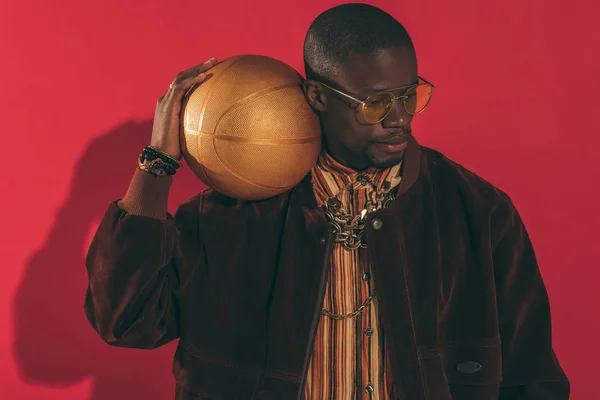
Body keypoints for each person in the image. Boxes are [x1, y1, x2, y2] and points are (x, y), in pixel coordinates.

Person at [83, 3, 570, 399]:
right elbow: (124, 322)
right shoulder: (228, 218)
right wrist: (157, 164)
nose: (399, 118)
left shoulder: (478, 212)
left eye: (409, 95)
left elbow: (533, 380)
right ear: (318, 95)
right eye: (376, 102)